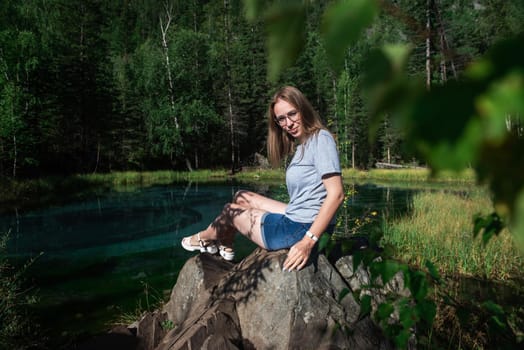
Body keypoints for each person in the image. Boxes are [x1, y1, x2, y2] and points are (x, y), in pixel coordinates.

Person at [181, 86, 344, 271]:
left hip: (301, 228)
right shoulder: (303, 145)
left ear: (303, 109)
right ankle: (226, 242)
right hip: (299, 216)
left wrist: (307, 242)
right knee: (241, 196)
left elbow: (336, 194)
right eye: (281, 119)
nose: (288, 123)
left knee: (230, 211)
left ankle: (204, 238)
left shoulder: (321, 139)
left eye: (292, 114)